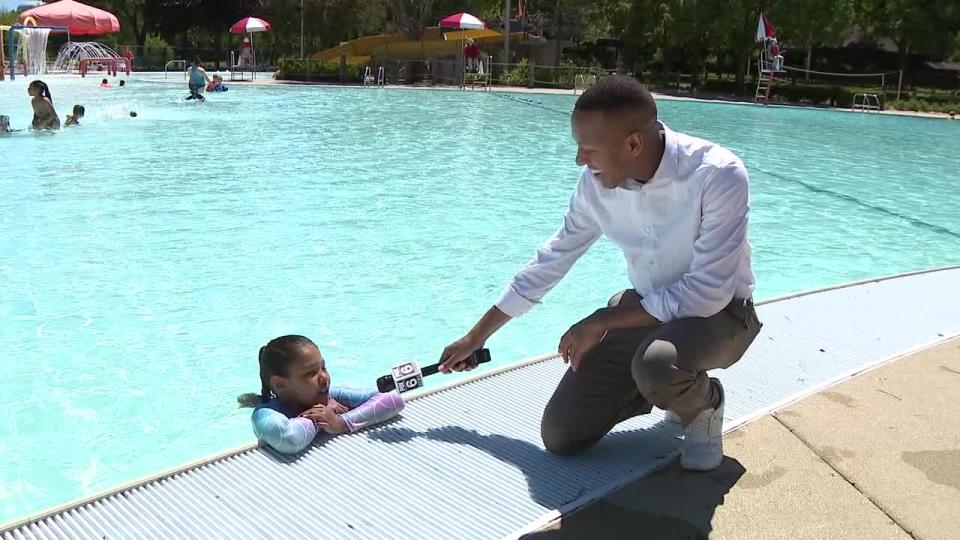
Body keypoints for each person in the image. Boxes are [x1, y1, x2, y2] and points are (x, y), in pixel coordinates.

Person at [438, 75, 761, 472]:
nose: (579, 160)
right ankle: (661, 387)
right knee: (561, 434)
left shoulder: (718, 173)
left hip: (723, 316)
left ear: (632, 144)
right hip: (645, 312)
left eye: (588, 149)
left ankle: (703, 403)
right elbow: (551, 260)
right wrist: (476, 336)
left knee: (657, 365)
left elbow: (706, 294)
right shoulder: (595, 184)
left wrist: (603, 320)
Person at [238, 335, 405, 454]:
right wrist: (325, 416)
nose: (324, 377)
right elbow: (288, 439)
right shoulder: (264, 415)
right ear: (280, 384)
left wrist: (341, 422)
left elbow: (393, 399)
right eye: (311, 373)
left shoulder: (329, 394)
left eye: (323, 368)